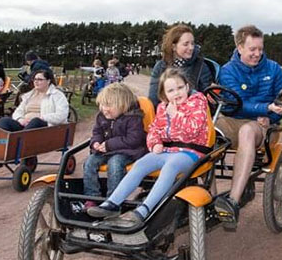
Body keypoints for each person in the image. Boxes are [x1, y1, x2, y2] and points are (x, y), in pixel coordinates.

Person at [89, 68, 210, 227]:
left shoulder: (197, 102)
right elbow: (154, 129)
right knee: (141, 164)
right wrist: (155, 143)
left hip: (190, 151)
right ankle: (112, 204)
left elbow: (193, 129)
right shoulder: (162, 107)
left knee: (171, 166)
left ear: (187, 87)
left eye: (180, 88)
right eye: (171, 90)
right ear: (164, 94)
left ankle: (145, 209)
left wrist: (175, 115)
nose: (177, 93)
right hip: (167, 151)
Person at [212, 25, 282, 226]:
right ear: (240, 48)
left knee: (247, 131)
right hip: (232, 120)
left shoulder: (273, 69)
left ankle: (232, 201)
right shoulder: (227, 71)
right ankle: (211, 199)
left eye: (260, 49)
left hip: (260, 127)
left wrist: (273, 114)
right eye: (252, 50)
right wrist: (265, 108)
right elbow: (234, 104)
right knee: (208, 134)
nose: (257, 54)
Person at [82, 83, 148, 212]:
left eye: (109, 106)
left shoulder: (133, 118)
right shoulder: (102, 116)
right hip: (106, 150)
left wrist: (109, 144)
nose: (104, 109)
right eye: (102, 105)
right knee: (89, 162)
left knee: (115, 163)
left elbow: (134, 140)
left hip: (128, 151)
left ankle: (113, 200)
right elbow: (97, 133)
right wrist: (96, 143)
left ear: (123, 106)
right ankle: (92, 197)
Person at [148, 24, 214, 107]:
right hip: (166, 114)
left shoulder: (201, 66)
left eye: (192, 43)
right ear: (174, 47)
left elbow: (208, 100)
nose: (191, 48)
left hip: (193, 114)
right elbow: (153, 98)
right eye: (186, 44)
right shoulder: (160, 67)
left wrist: (212, 97)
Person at [0, 68, 69, 131]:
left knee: (36, 121)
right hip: (25, 126)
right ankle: (9, 143)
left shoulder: (57, 95)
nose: (36, 81)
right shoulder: (29, 95)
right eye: (34, 79)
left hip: (46, 128)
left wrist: (42, 117)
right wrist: (20, 119)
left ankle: (20, 141)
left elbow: (61, 115)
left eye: (40, 79)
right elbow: (18, 111)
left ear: (48, 81)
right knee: (4, 121)